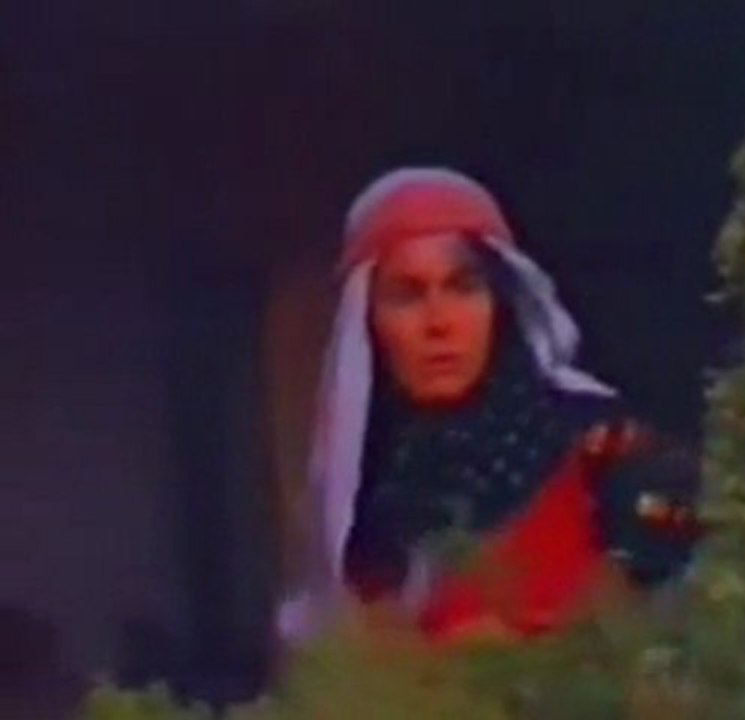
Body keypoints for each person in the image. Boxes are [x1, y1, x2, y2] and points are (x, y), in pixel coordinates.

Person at [277, 167, 702, 647]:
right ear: (370, 322)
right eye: (408, 295)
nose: (439, 322)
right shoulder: (359, 503)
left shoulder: (603, 452)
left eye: (463, 287)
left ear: (501, 302)